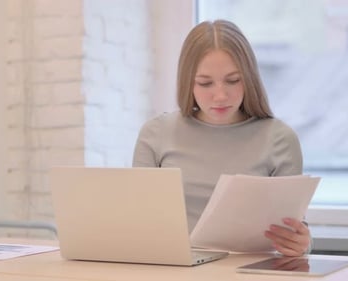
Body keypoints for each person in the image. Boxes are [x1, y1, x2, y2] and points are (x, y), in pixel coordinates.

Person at [132, 19, 311, 257]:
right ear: (188, 82)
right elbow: (135, 222)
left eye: (233, 80)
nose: (220, 95)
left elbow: (294, 228)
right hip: (174, 269)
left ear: (249, 78)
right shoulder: (155, 134)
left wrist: (301, 242)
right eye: (205, 83)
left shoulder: (279, 139)